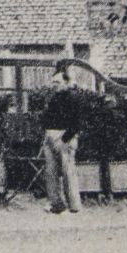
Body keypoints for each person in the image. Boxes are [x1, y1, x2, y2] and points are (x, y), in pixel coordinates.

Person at [40, 60, 84, 214]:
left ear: (66, 82)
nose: (55, 85)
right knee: (50, 172)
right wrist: (47, 135)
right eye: (53, 82)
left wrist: (64, 139)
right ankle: (56, 204)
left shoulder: (73, 98)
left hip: (65, 138)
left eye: (57, 82)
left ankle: (74, 206)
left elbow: (77, 123)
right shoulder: (53, 99)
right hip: (50, 138)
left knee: (67, 172)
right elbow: (46, 119)